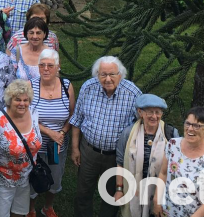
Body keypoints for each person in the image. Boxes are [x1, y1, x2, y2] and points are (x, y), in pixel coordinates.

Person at [70, 56, 142, 217]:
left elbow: (141, 125)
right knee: (83, 192)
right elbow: (77, 120)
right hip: (89, 152)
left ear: (120, 74)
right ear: (97, 74)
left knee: (111, 196)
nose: (107, 79)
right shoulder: (88, 88)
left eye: (112, 74)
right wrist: (75, 148)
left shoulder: (133, 93)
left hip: (116, 157)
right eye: (103, 74)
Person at [114, 94, 179, 217]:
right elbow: (120, 162)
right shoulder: (128, 133)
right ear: (140, 112)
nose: (154, 116)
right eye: (150, 112)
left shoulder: (170, 134)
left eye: (158, 112)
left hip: (159, 192)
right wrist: (119, 189)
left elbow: (176, 165)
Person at [154, 107, 204, 217]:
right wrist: (156, 200)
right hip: (167, 211)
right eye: (188, 123)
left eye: (196, 126)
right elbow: (163, 173)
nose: (190, 129)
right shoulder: (172, 145)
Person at [0, 80, 42, 217]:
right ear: (9, 100)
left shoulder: (34, 113)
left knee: (20, 213)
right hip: (3, 182)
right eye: (18, 99)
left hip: (25, 179)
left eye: (26, 100)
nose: (22, 104)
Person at [30, 49, 75, 217]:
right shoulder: (31, 86)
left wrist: (62, 132)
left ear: (58, 67)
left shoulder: (66, 86)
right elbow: (27, 116)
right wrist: (50, 132)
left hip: (57, 144)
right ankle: (31, 208)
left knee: (55, 174)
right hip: (35, 143)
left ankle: (48, 207)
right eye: (42, 65)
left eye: (50, 65)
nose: (46, 69)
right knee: (34, 174)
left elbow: (73, 115)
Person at [8, 17, 50, 83]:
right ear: (26, 34)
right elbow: (10, 78)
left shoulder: (50, 54)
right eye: (31, 33)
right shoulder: (17, 52)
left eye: (38, 33)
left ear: (44, 34)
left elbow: (55, 80)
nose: (35, 36)